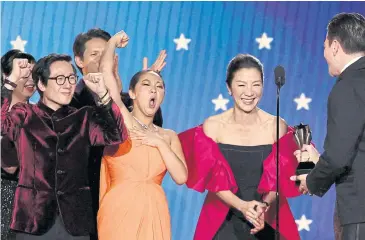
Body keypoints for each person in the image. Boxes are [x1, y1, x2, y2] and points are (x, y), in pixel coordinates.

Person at [1, 54, 128, 239]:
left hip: (75, 222)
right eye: (60, 79)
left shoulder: (84, 117)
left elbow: (117, 135)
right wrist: (11, 80)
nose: (68, 84)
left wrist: (103, 94)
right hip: (32, 221)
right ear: (42, 85)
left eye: (71, 78)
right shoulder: (25, 114)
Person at [178, 54, 302, 240]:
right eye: (241, 85)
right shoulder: (213, 126)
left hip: (266, 219)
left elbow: (280, 177)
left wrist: (263, 206)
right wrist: (242, 206)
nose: (249, 92)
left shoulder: (277, 125)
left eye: (256, 84)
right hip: (224, 220)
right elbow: (213, 178)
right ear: (229, 88)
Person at [71, 29, 166, 239]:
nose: (103, 59)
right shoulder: (70, 102)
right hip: (82, 204)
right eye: (95, 54)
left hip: (124, 201)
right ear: (79, 60)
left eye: (107, 53)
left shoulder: (126, 101)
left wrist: (145, 92)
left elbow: (152, 130)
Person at [96, 31, 188, 240]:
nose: (154, 90)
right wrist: (111, 43)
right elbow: (106, 75)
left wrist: (159, 143)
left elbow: (181, 177)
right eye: (146, 86)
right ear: (133, 93)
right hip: (119, 210)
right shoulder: (125, 122)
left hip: (155, 211)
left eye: (159, 87)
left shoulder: (169, 136)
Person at [291, 12, 365, 239]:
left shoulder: (347, 87)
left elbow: (339, 156)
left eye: (324, 46)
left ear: (335, 46)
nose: (323, 54)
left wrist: (311, 180)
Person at [1, 50, 36, 240]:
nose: (30, 79)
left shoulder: (41, 115)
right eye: (24, 73)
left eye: (33, 73)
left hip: (31, 210)